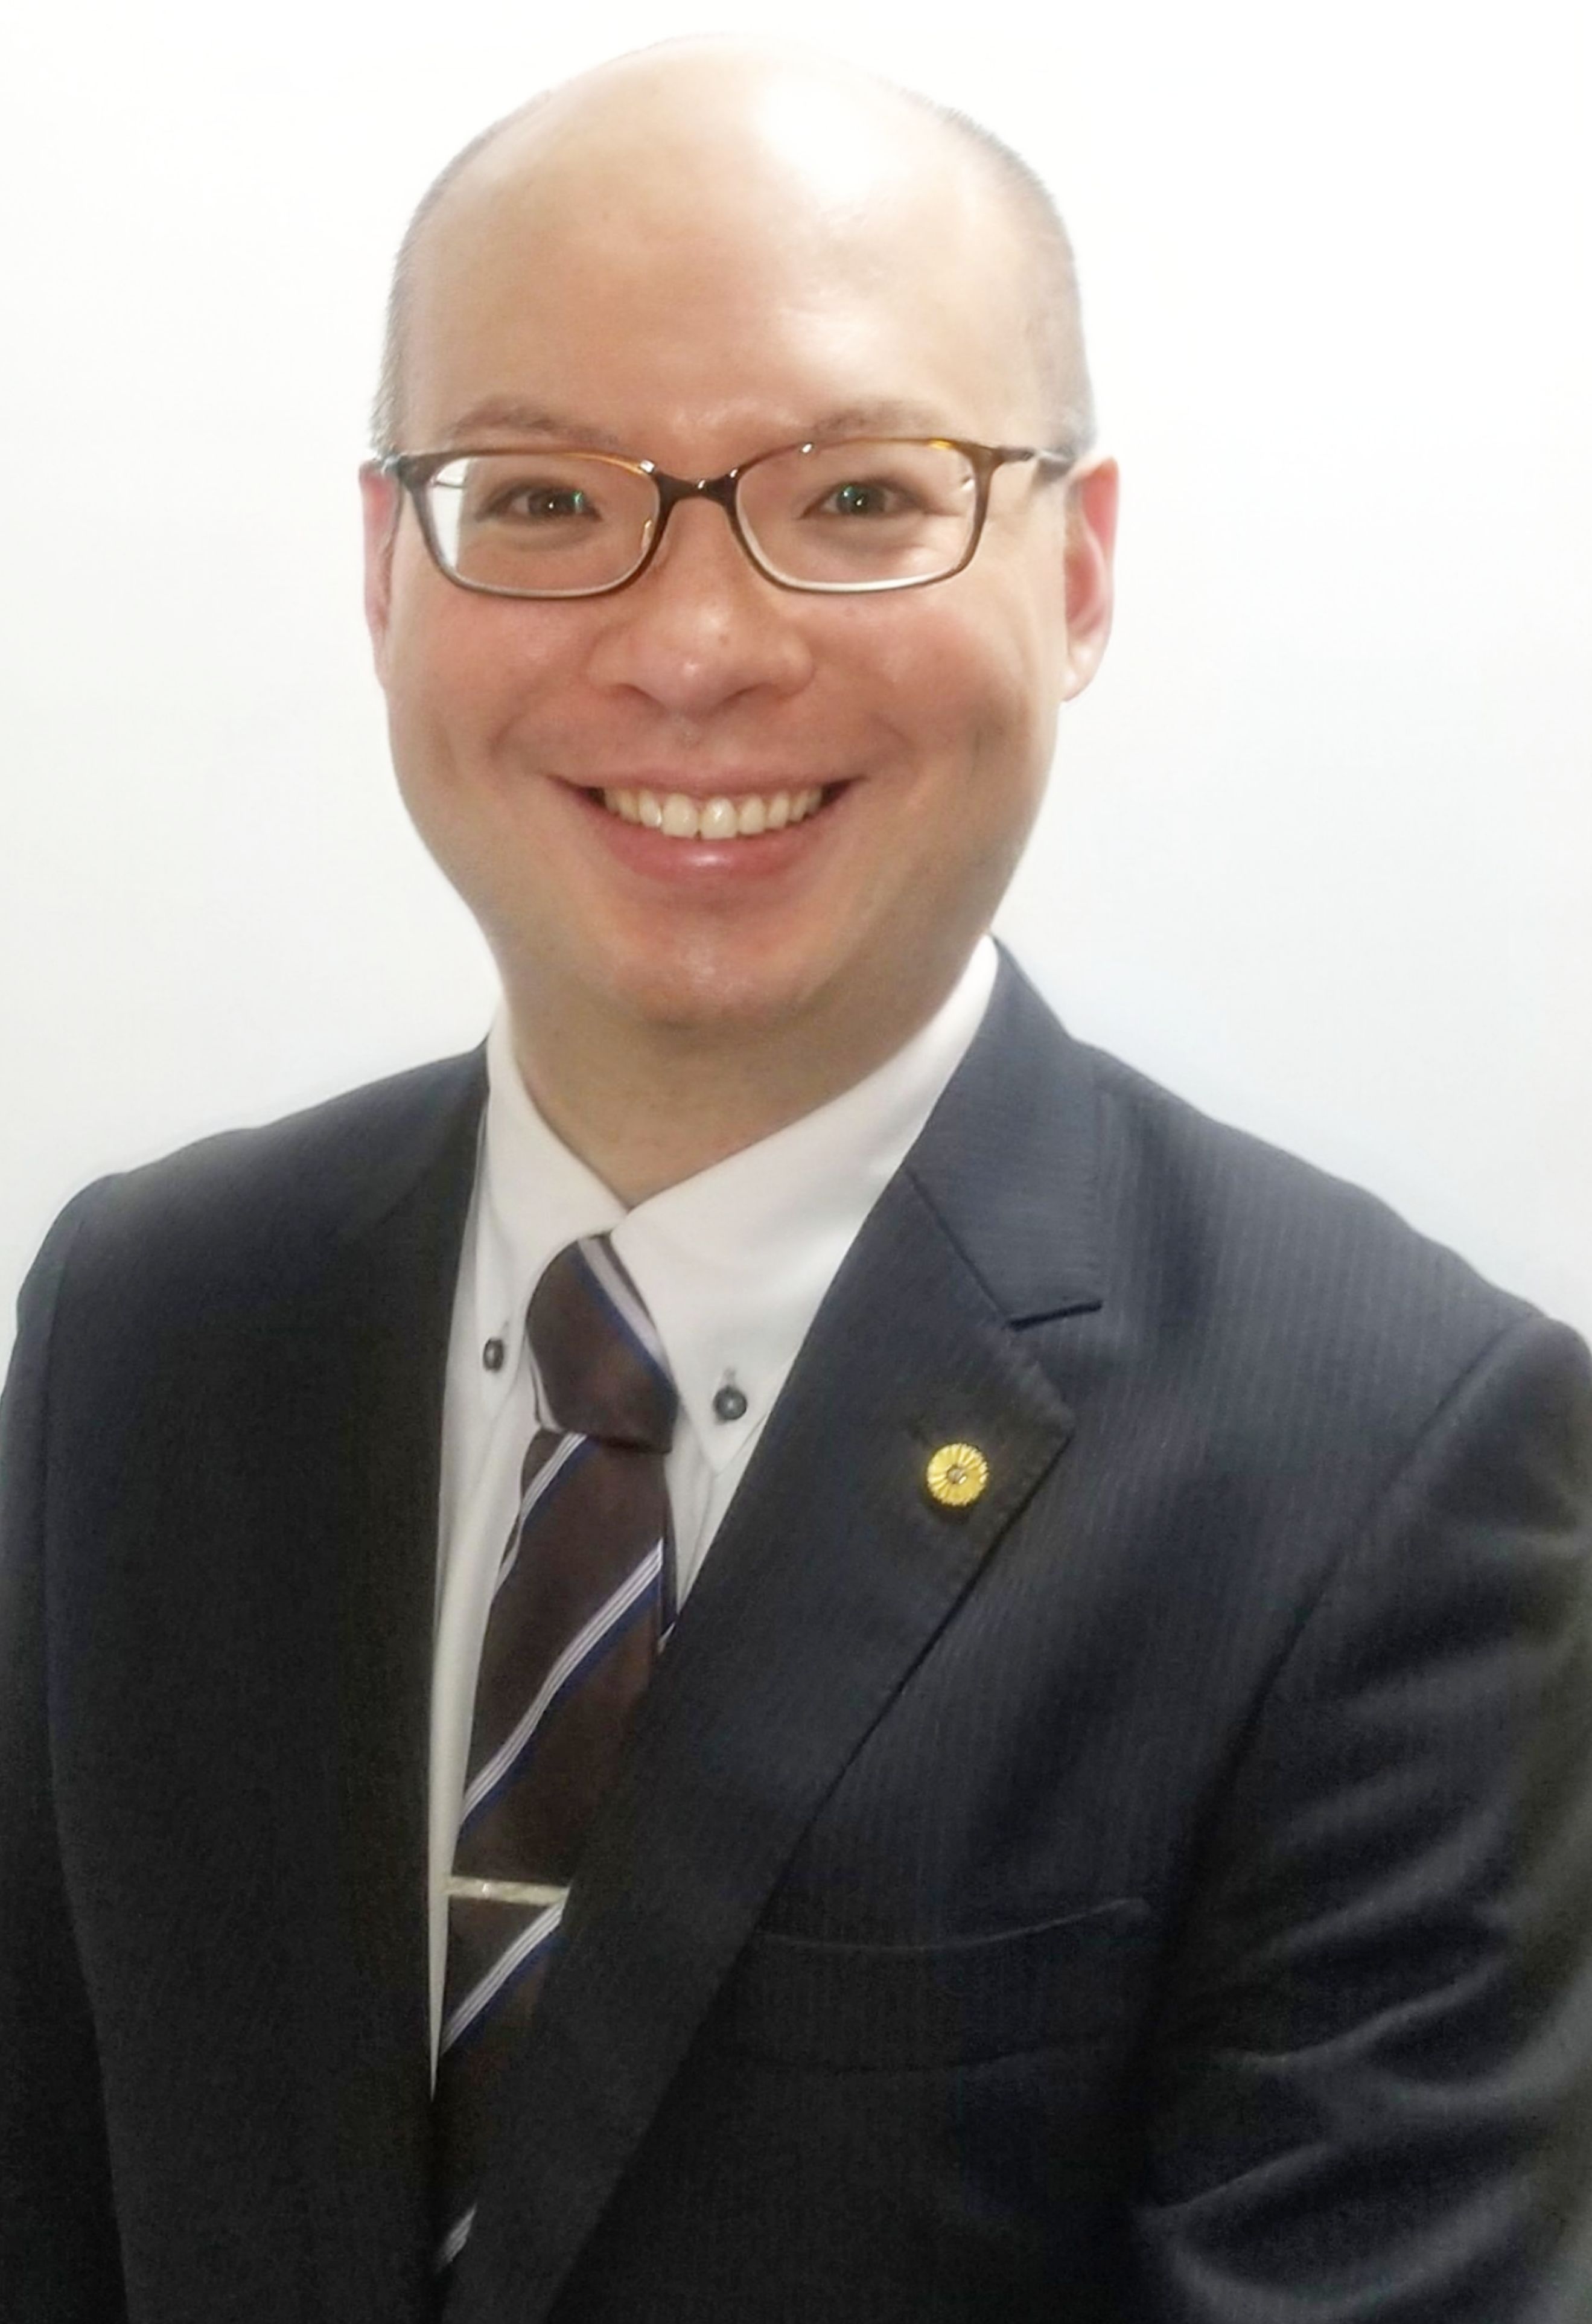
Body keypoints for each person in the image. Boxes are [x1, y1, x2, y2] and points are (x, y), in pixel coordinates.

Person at [2, 39, 1589, 2324]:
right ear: (384, 573)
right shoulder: (150, 1322)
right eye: (540, 497)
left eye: (856, 495)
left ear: (1082, 570)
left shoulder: (1401, 1475)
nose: (692, 646)